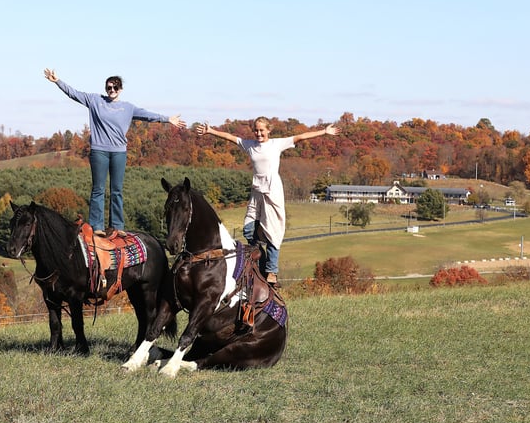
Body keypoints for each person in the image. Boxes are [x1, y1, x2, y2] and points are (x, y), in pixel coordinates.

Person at [197, 117, 340, 283]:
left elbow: (301, 137)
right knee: (249, 230)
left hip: (272, 191)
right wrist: (210, 131)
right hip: (257, 190)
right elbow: (229, 137)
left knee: (273, 230)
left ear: (268, 130)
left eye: (261, 130)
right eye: (256, 130)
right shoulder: (249, 145)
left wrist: (324, 131)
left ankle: (272, 271)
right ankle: (260, 262)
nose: (258, 133)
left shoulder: (276, 144)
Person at [44, 68, 186, 235]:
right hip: (99, 152)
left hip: (119, 153)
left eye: (115, 87)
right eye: (109, 87)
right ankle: (97, 226)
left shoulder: (128, 108)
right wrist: (58, 81)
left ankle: (117, 226)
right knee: (98, 189)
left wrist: (168, 119)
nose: (112, 90)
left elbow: (148, 115)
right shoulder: (94, 100)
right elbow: (74, 93)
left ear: (121, 90)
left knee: (116, 190)